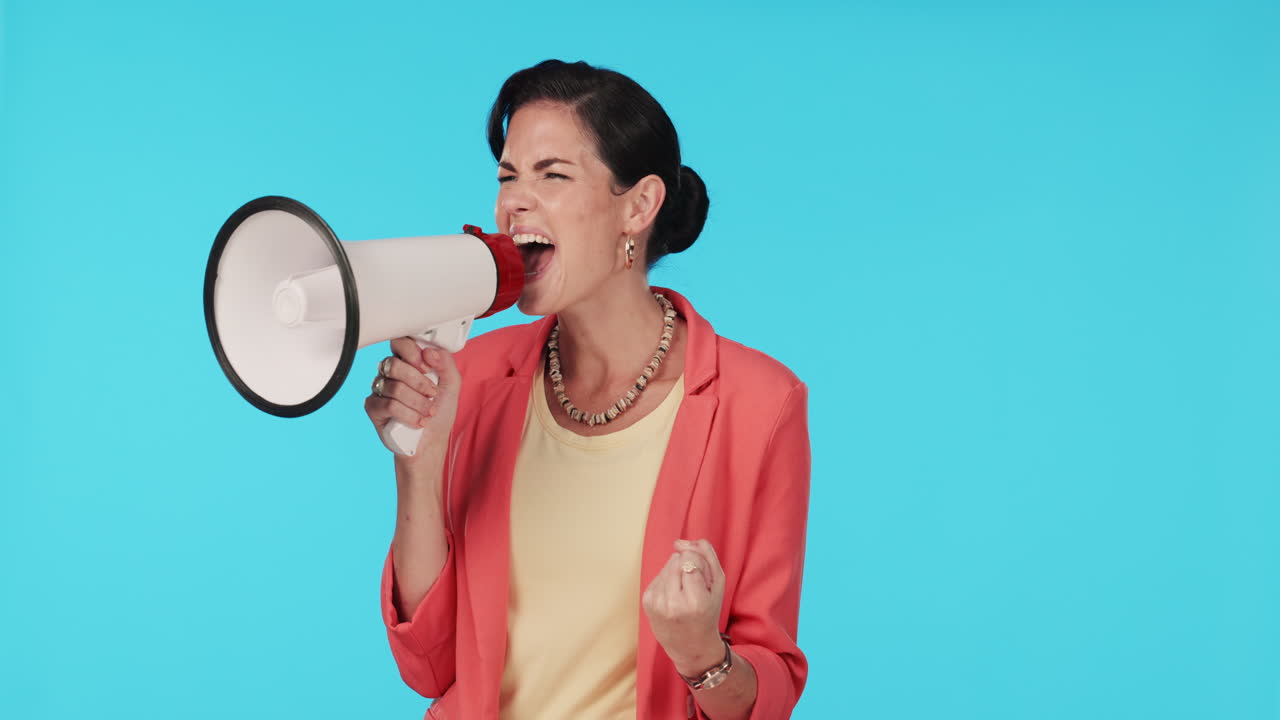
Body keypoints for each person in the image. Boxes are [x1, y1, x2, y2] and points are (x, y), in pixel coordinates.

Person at [365, 60, 811, 720]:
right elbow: (429, 667)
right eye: (507, 177)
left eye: (553, 175)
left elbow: (762, 699)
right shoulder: (476, 377)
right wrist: (419, 468)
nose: (512, 204)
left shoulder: (760, 405)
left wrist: (701, 656)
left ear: (638, 206)